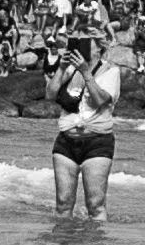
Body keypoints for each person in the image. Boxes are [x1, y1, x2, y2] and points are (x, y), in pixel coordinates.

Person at [50, 72, 118, 219]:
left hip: (97, 141)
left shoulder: (110, 71)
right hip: (66, 140)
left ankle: (94, 242)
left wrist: (85, 71)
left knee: (95, 205)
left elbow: (100, 99)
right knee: (63, 204)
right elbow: (50, 94)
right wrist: (61, 67)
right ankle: (63, 240)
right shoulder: (69, 68)